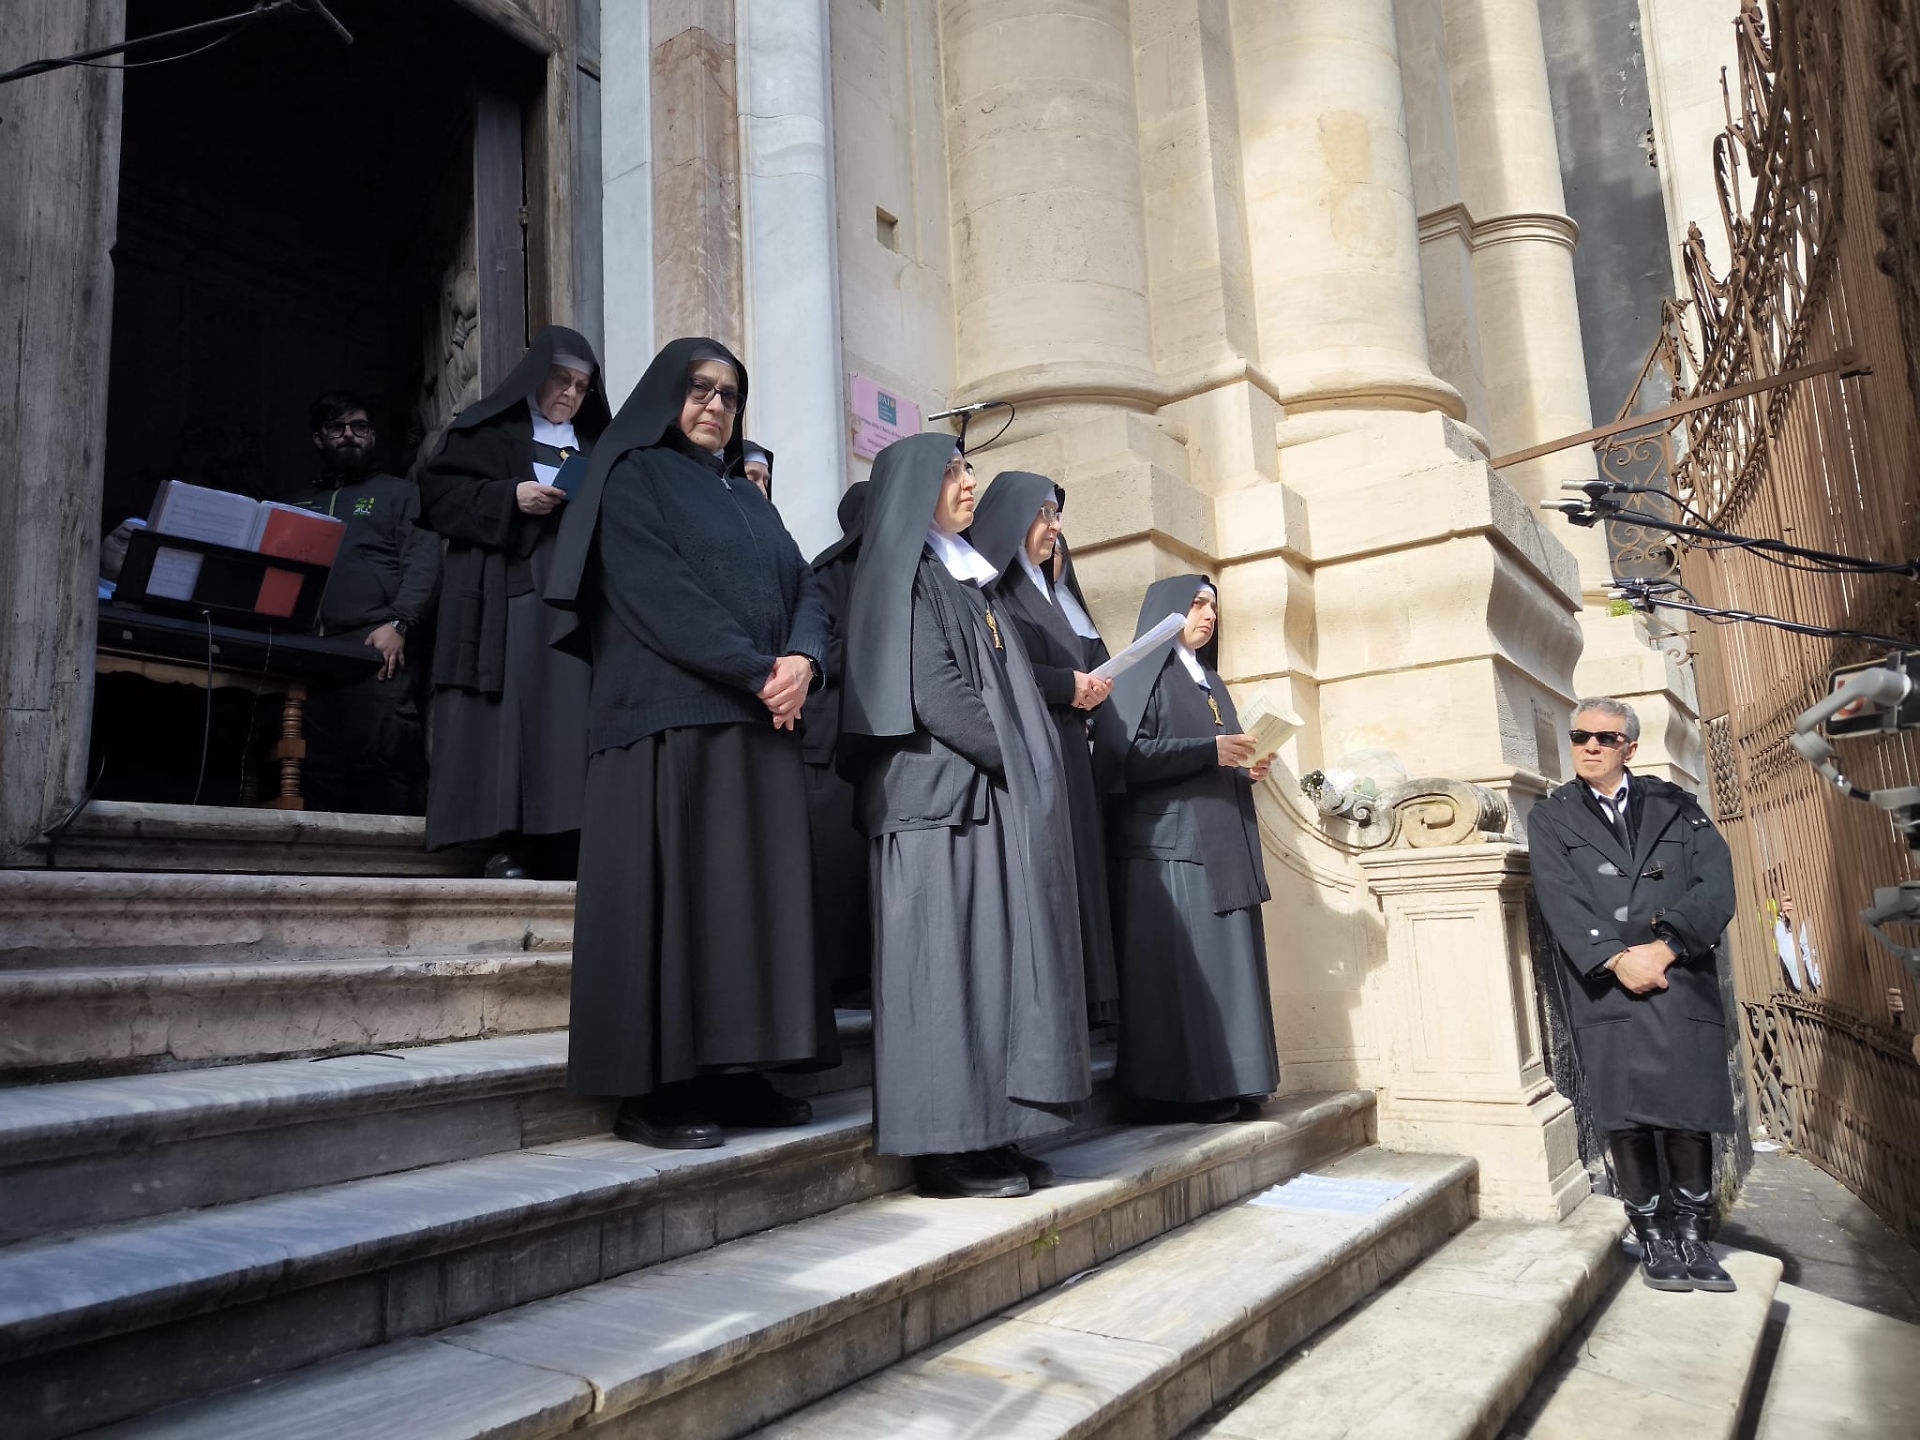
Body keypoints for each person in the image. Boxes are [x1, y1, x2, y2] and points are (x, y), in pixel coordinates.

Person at [545, 336, 835, 1149]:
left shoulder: (747, 495)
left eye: (730, 396)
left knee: (743, 913)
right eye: (701, 389)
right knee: (673, 912)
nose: (716, 406)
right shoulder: (629, 474)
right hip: (667, 722)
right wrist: (757, 670)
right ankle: (656, 1092)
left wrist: (805, 660)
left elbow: (807, 584)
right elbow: (658, 593)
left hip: (752, 723)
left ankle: (739, 1071)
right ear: (667, 394)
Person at [840, 431, 1090, 1199]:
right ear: (916, 490)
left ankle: (990, 1131)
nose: (968, 482)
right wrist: (1021, 758)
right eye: (951, 471)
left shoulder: (967, 578)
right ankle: (943, 1150)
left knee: (986, 978)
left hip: (980, 798)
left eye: (968, 469)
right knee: (940, 980)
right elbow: (938, 692)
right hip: (933, 807)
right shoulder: (905, 574)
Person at [1528, 698, 1740, 1293]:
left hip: (1679, 976)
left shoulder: (1678, 806)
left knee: (1687, 1109)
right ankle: (1652, 1236)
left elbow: (1716, 886)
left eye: (1604, 738)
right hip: (1608, 987)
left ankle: (1695, 1236)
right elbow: (1559, 897)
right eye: (1580, 736)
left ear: (1630, 748)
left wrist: (1665, 948)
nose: (1590, 746)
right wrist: (1619, 959)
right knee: (1627, 1114)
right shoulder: (1552, 817)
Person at [416, 326, 609, 878]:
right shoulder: (488, 430)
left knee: (571, 721)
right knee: (514, 722)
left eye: (581, 386)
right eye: (561, 379)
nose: (570, 393)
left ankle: (572, 844)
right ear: (534, 375)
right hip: (509, 593)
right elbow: (436, 497)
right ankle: (507, 845)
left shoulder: (598, 444)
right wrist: (510, 496)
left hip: (581, 600)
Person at [1098, 575, 1280, 1121]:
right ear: (1167, 612)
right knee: (1184, 971)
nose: (1209, 615)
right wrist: (1208, 751)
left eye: (1214, 607)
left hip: (1221, 841)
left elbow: (1216, 752)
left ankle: (1237, 1080)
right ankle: (1184, 1092)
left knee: (1230, 969)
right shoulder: (1140, 674)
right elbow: (1125, 759)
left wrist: (1247, 767)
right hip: (1170, 844)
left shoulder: (1210, 682)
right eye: (1198, 604)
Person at [967, 471, 1120, 1026]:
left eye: (1057, 514)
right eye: (1045, 513)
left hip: (1070, 745)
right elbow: (993, 667)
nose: (1056, 526)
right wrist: (1066, 685)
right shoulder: (991, 590)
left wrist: (1093, 690)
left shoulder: (1049, 592)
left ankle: (1089, 1001)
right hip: (1031, 747)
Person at [287, 391, 440, 815]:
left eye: (360, 427)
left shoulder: (401, 494)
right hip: (308, 651)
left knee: (384, 762)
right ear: (319, 438)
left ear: (372, 437)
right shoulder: (296, 503)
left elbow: (424, 563)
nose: (350, 435)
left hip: (375, 644)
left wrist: (399, 623)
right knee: (317, 767)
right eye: (337, 427)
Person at [804, 481, 874, 1006]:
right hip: (828, 742)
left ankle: (861, 974)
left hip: (867, 740)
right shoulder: (827, 572)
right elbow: (819, 654)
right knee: (835, 862)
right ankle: (833, 978)